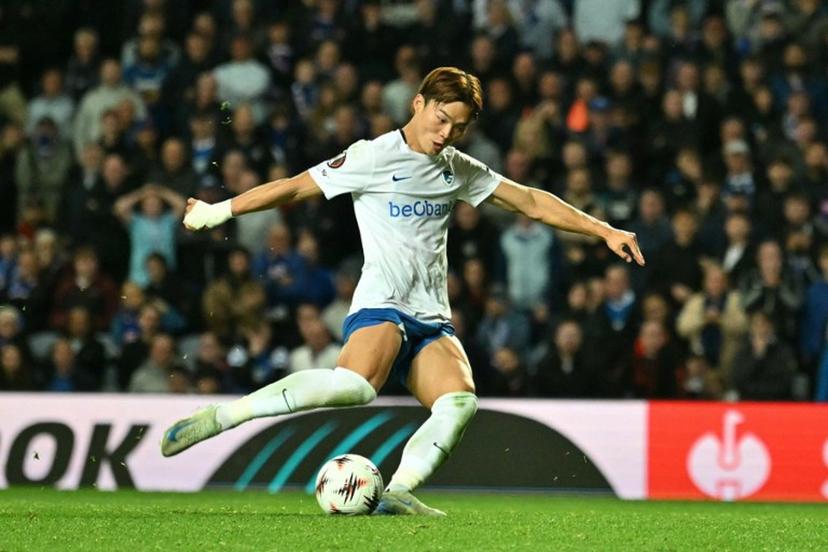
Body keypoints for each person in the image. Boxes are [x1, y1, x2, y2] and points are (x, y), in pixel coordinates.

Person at [160, 67, 644, 516]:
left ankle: (398, 491)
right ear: (418, 103)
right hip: (381, 303)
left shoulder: (458, 168)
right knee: (355, 386)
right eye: (441, 119)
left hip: (431, 316)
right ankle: (225, 416)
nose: (446, 134)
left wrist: (603, 230)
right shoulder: (372, 156)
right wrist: (219, 211)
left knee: (459, 403)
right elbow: (292, 187)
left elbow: (531, 201)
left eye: (458, 127)